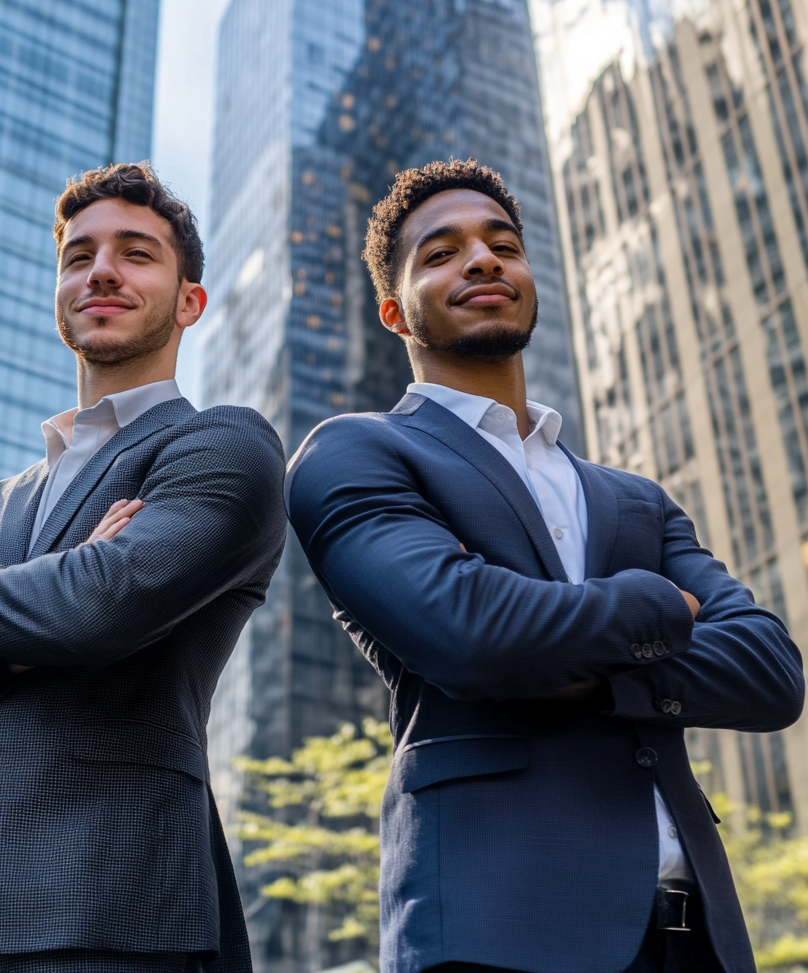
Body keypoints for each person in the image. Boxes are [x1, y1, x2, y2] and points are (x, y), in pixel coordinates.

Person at [285, 158, 804, 973]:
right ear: (394, 311)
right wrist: (656, 610)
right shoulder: (355, 452)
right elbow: (468, 634)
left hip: (702, 936)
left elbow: (771, 673)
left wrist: (560, 655)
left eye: (503, 244)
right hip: (498, 930)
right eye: (441, 252)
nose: (483, 260)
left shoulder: (635, 498)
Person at [0, 162, 287, 973]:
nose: (100, 269)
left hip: (102, 906)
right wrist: (34, 620)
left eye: (136, 253)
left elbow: (99, 605)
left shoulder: (225, 443)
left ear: (190, 302)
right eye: (79, 256)